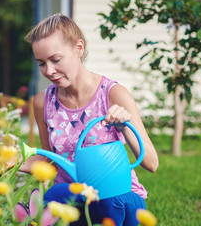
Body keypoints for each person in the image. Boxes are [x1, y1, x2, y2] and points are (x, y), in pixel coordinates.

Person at [20, 13, 159, 226]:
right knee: (55, 194)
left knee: (106, 199)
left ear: (79, 48)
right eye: (41, 63)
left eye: (56, 60)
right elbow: (51, 163)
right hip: (73, 197)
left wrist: (125, 126)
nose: (49, 71)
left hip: (117, 198)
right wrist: (10, 160)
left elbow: (151, 162)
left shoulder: (112, 94)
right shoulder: (42, 102)